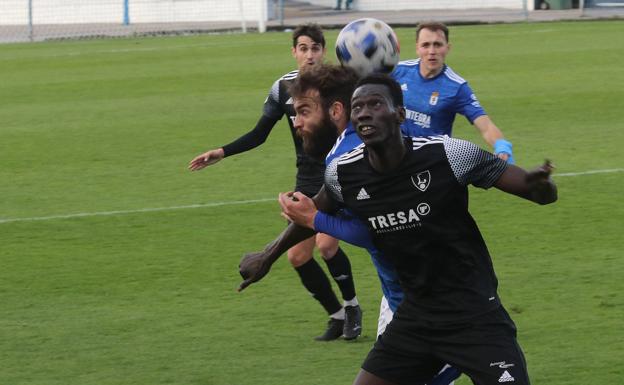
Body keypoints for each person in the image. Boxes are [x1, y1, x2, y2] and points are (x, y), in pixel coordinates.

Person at [240, 73, 557, 385]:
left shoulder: (449, 154)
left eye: (375, 104)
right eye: (358, 106)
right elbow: (312, 215)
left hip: (474, 315)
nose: (364, 111)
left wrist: (542, 189)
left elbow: (533, 189)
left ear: (399, 115)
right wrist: (267, 256)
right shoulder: (343, 173)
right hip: (415, 318)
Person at [188, 24, 362, 341]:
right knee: (297, 256)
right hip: (306, 180)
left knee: (326, 244)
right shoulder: (282, 88)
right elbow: (259, 134)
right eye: (303, 48)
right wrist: (222, 152)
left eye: (315, 48)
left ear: (324, 51)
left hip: (338, 174)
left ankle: (352, 307)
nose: (310, 54)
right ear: (294, 52)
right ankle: (336, 315)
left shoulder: (338, 86)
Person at [393, 21, 514, 163]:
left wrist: (502, 146)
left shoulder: (456, 87)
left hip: (432, 162)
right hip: (397, 156)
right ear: (417, 48)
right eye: (426, 45)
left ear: (447, 48)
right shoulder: (397, 71)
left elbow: (486, 126)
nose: (432, 51)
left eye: (437, 45)